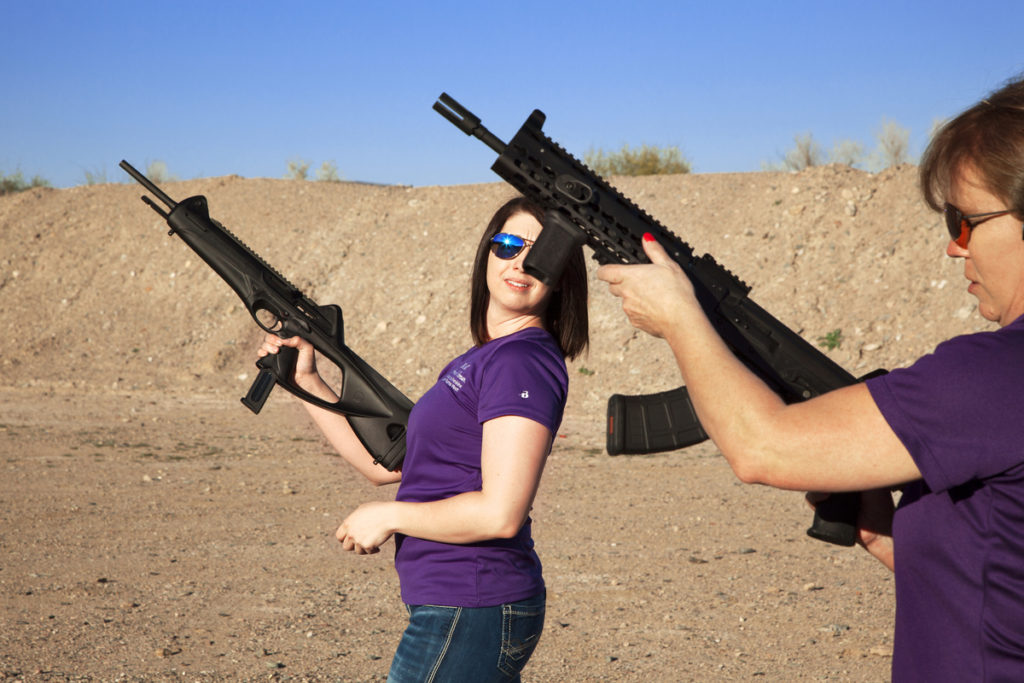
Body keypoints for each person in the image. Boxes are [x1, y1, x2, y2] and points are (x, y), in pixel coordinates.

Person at [597, 75, 1024, 681]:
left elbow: (760, 449)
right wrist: (887, 538)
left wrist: (680, 318)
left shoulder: (993, 375)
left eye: (964, 222)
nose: (954, 250)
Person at [257, 196, 589, 682]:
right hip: (457, 602)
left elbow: (501, 513)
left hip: (471, 602)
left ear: (561, 276)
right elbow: (387, 467)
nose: (521, 261)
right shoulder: (482, 359)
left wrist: (390, 515)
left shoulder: (521, 360)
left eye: (541, 254)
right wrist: (306, 381)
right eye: (509, 244)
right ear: (486, 254)